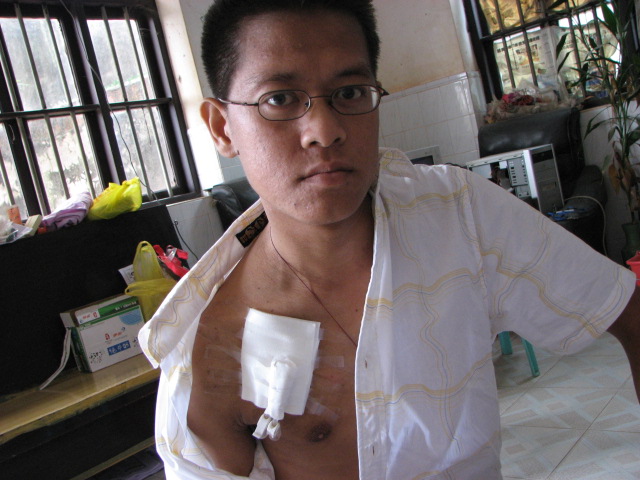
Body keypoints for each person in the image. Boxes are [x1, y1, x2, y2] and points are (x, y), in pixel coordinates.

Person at [138, 1, 640, 479]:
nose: (324, 130)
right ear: (222, 128)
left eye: (350, 92)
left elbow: (629, 313)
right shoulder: (210, 347)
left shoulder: (458, 216)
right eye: (280, 99)